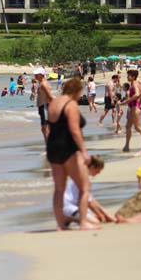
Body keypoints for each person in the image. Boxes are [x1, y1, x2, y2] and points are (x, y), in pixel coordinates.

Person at [45, 77, 98, 231]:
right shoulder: (71, 104)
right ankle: (83, 222)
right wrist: (84, 152)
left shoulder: (53, 103)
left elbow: (50, 128)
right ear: (76, 91)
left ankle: (60, 225)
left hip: (53, 148)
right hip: (68, 149)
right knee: (84, 186)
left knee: (59, 188)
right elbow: (74, 130)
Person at [60, 155, 114, 227]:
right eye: (99, 170)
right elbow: (89, 203)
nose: (99, 172)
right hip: (68, 206)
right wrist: (102, 215)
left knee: (98, 218)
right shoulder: (85, 179)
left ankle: (71, 217)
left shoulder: (80, 174)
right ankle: (68, 218)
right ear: (92, 167)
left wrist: (104, 214)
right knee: (96, 222)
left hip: (72, 205)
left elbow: (91, 200)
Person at [123, 69, 141, 152]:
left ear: (133, 76)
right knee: (128, 126)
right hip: (134, 108)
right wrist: (139, 104)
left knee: (137, 127)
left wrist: (126, 101)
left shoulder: (134, 83)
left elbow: (137, 94)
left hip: (134, 108)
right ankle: (127, 146)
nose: (127, 77)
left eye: (128, 75)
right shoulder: (137, 83)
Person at [34, 67, 54, 141]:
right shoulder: (41, 83)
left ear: (41, 75)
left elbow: (50, 96)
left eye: (37, 74)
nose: (35, 75)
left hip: (45, 106)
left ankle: (50, 148)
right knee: (44, 128)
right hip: (42, 107)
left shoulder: (44, 84)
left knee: (45, 128)